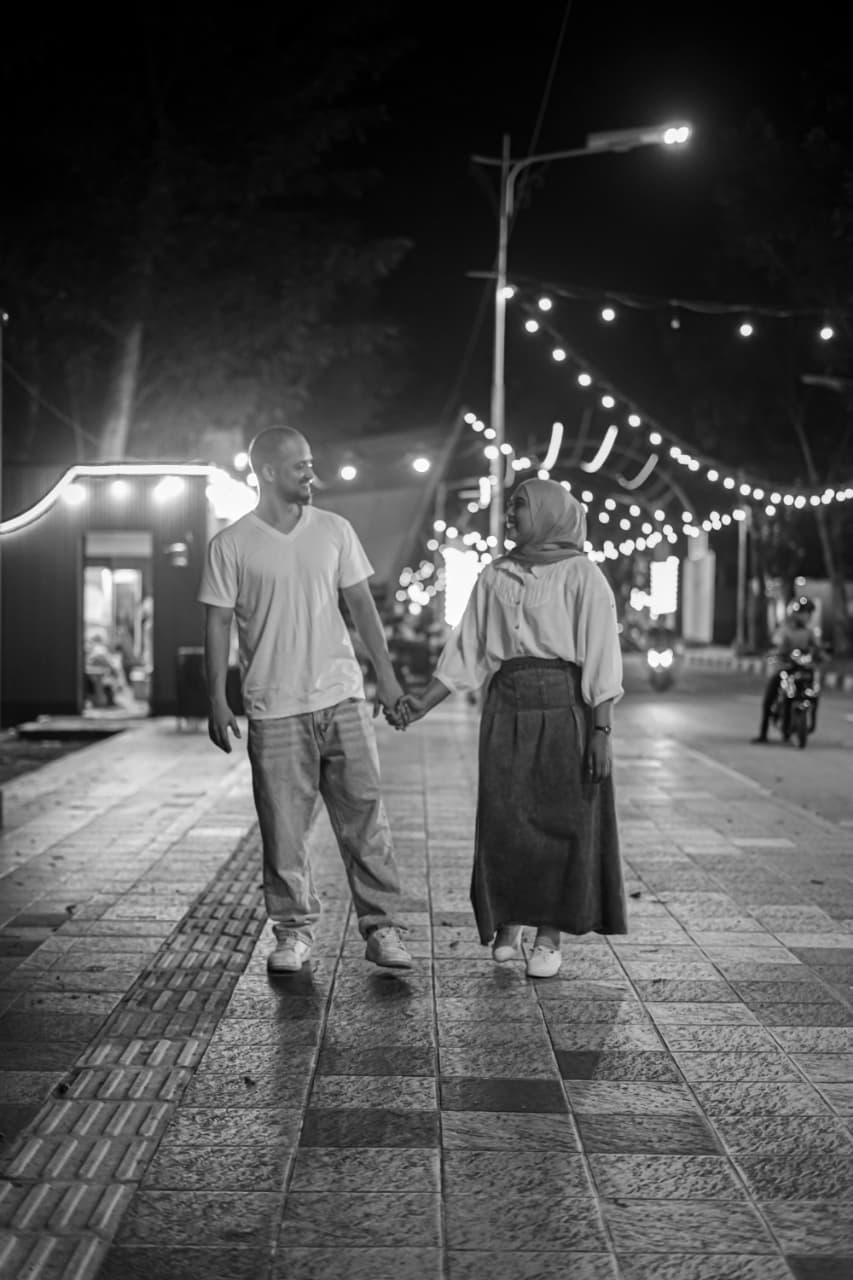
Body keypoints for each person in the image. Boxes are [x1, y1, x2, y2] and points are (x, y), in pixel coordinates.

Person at [198, 426, 413, 975]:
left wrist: (386, 679)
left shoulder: (334, 530)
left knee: (366, 819)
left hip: (341, 696)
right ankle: (293, 932)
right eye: (301, 466)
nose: (311, 474)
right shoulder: (231, 544)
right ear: (269, 472)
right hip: (273, 706)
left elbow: (362, 607)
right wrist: (217, 699)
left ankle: (383, 928)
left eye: (311, 463)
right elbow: (217, 624)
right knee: (283, 830)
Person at [392, 477, 627, 978]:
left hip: (565, 708)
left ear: (547, 513)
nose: (511, 514)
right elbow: (468, 650)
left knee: (561, 822)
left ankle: (549, 934)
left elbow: (602, 655)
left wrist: (601, 732)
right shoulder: (494, 574)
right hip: (506, 705)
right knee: (507, 818)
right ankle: (510, 917)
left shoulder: (583, 575)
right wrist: (422, 704)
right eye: (513, 505)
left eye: (520, 505)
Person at [752, 596, 822, 743]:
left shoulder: (810, 632)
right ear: (794, 613)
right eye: (803, 612)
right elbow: (776, 646)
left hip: (803, 669)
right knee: (769, 697)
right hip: (785, 668)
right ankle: (763, 733)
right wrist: (777, 653)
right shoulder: (784, 630)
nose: (806, 616)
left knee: (815, 692)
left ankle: (810, 722)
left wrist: (821, 654)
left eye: (808, 613)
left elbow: (817, 649)